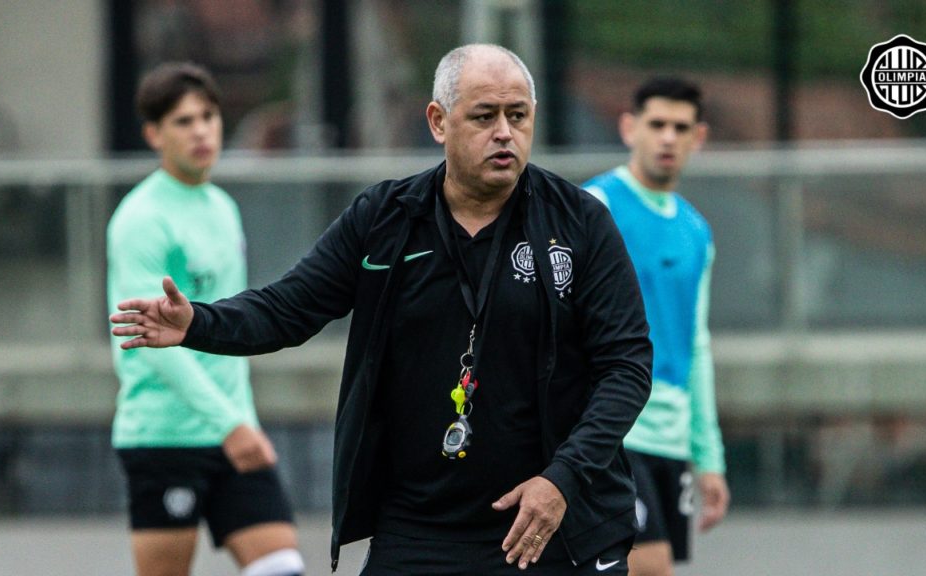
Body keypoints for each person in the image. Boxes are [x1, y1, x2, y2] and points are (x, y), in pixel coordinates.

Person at [110, 44, 653, 575]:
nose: (504, 132)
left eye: (518, 115)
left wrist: (562, 478)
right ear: (438, 122)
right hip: (420, 527)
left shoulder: (580, 224)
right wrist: (199, 323)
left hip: (547, 527)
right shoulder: (386, 218)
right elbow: (289, 307)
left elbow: (626, 366)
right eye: (485, 116)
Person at [107, 62, 305, 576]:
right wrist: (229, 425)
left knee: (281, 567)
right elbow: (150, 343)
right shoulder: (139, 220)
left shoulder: (222, 206)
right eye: (183, 121)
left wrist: (241, 421)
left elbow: (228, 324)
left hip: (235, 430)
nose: (201, 131)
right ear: (154, 133)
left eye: (209, 116)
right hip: (166, 437)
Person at [582, 77, 730, 576]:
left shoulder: (696, 232)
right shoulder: (594, 209)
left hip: (670, 438)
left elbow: (697, 345)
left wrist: (708, 454)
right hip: (612, 433)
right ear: (629, 128)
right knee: (652, 569)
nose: (668, 137)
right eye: (657, 124)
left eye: (680, 127)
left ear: (699, 138)